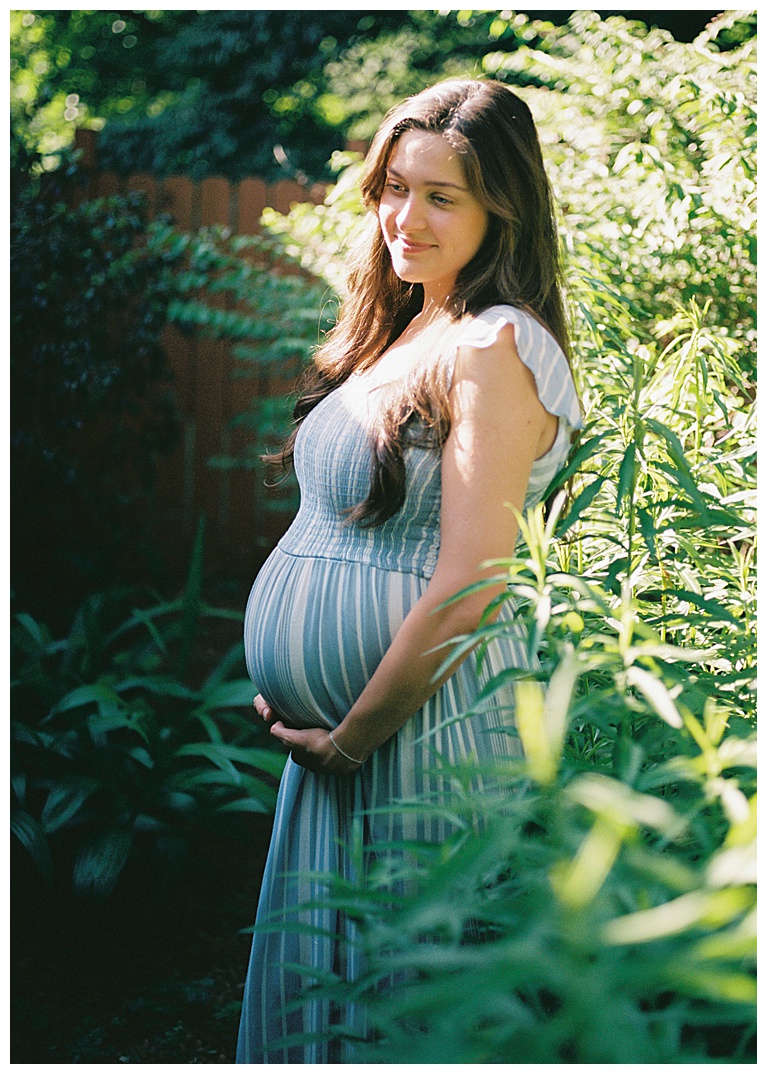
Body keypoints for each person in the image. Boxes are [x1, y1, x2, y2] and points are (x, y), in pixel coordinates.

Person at [236, 78, 583, 1063]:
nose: (405, 216)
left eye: (443, 196)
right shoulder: (407, 330)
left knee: (397, 1010)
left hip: (416, 740)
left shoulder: (494, 345)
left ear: (502, 211)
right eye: (395, 186)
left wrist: (352, 739)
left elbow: (474, 578)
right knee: (334, 998)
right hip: (346, 749)